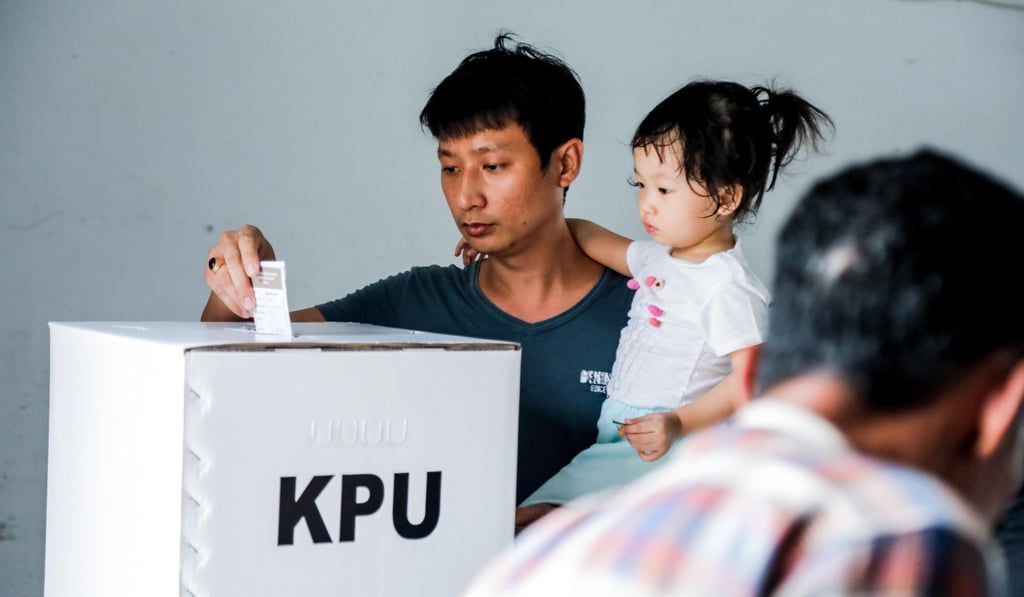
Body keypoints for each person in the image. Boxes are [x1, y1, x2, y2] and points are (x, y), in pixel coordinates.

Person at [464, 148, 1024, 595]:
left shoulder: (546, 550)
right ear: (1001, 405)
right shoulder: (903, 541)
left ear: (754, 370)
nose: (649, 202)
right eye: (645, 186)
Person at [200, 33, 634, 519]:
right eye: (450, 168)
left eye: (492, 165)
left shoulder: (651, 316)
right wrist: (238, 276)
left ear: (565, 163)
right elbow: (231, 356)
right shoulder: (413, 303)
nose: (467, 195)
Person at [501, 80, 833, 516]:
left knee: (540, 522)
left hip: (674, 447)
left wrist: (679, 423)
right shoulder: (658, 260)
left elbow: (756, 376)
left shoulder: (727, 286)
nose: (646, 205)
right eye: (640, 184)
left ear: (725, 197)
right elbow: (581, 235)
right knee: (533, 523)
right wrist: (507, 244)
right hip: (622, 438)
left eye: (663, 189)